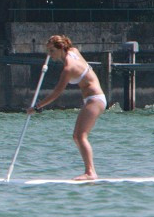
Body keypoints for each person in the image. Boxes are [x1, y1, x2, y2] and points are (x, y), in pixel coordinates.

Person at [27, 34, 107, 180]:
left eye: (52, 51)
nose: (50, 55)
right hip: (92, 99)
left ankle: (90, 172)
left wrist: (37, 107)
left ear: (61, 48)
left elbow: (57, 93)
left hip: (95, 100)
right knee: (77, 136)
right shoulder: (73, 51)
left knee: (80, 136)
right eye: (48, 52)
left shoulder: (68, 68)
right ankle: (90, 171)